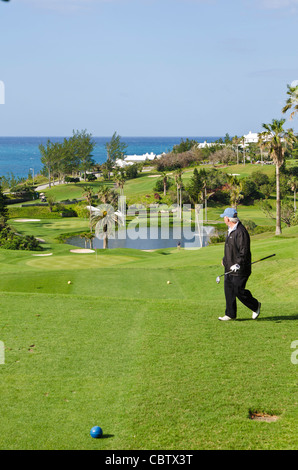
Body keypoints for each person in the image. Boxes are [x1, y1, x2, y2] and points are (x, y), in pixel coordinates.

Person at [218, 207, 261, 321]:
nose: (224, 219)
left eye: (224, 217)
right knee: (229, 290)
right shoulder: (231, 230)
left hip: (240, 268)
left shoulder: (240, 231)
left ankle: (255, 305)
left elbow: (244, 250)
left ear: (228, 219)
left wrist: (238, 264)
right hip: (229, 267)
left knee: (238, 290)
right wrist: (225, 259)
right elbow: (230, 248)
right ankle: (230, 314)